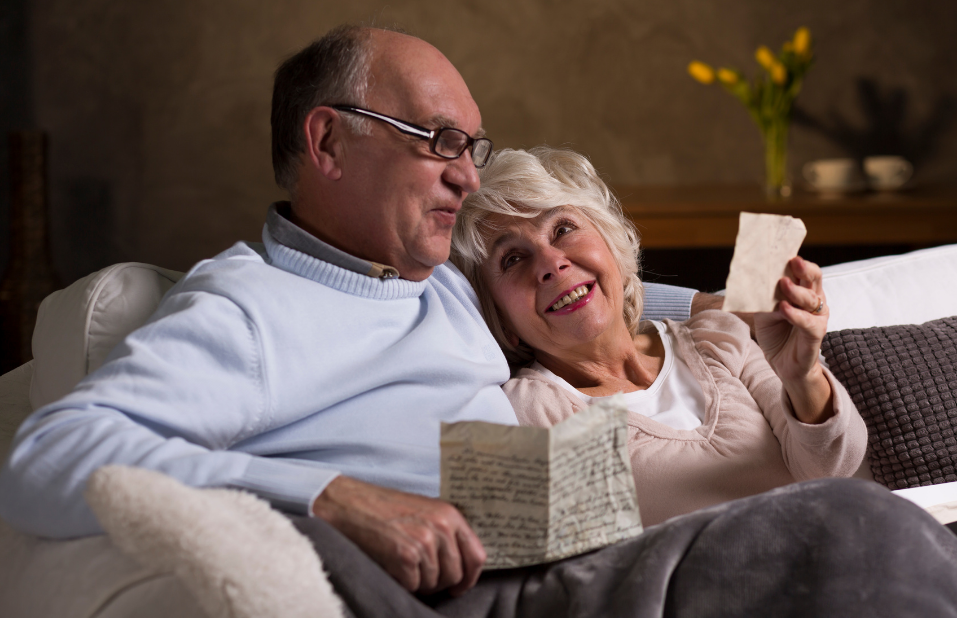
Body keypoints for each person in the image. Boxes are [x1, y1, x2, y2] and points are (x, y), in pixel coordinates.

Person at [1, 25, 956, 617]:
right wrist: (330, 494)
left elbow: (599, 303)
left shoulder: (436, 285)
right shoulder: (248, 307)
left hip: (572, 541)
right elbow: (44, 458)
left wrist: (743, 315)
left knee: (867, 522)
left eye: (474, 144)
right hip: (475, 588)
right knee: (852, 528)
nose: (466, 169)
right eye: (439, 141)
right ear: (328, 140)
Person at [449, 146, 868, 525]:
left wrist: (803, 375)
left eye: (562, 229)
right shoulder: (527, 414)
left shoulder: (718, 338)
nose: (552, 263)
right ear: (499, 319)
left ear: (610, 245)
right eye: (513, 258)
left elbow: (836, 465)